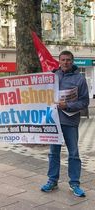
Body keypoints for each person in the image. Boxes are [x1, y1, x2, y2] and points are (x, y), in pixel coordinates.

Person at [40, 51, 89, 197]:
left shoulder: (80, 79)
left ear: (72, 61)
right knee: (53, 153)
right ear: (59, 61)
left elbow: (85, 102)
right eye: (63, 60)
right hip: (53, 122)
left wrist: (67, 105)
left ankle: (74, 183)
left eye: (68, 60)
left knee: (73, 153)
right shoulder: (52, 76)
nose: (66, 62)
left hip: (70, 122)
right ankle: (52, 181)